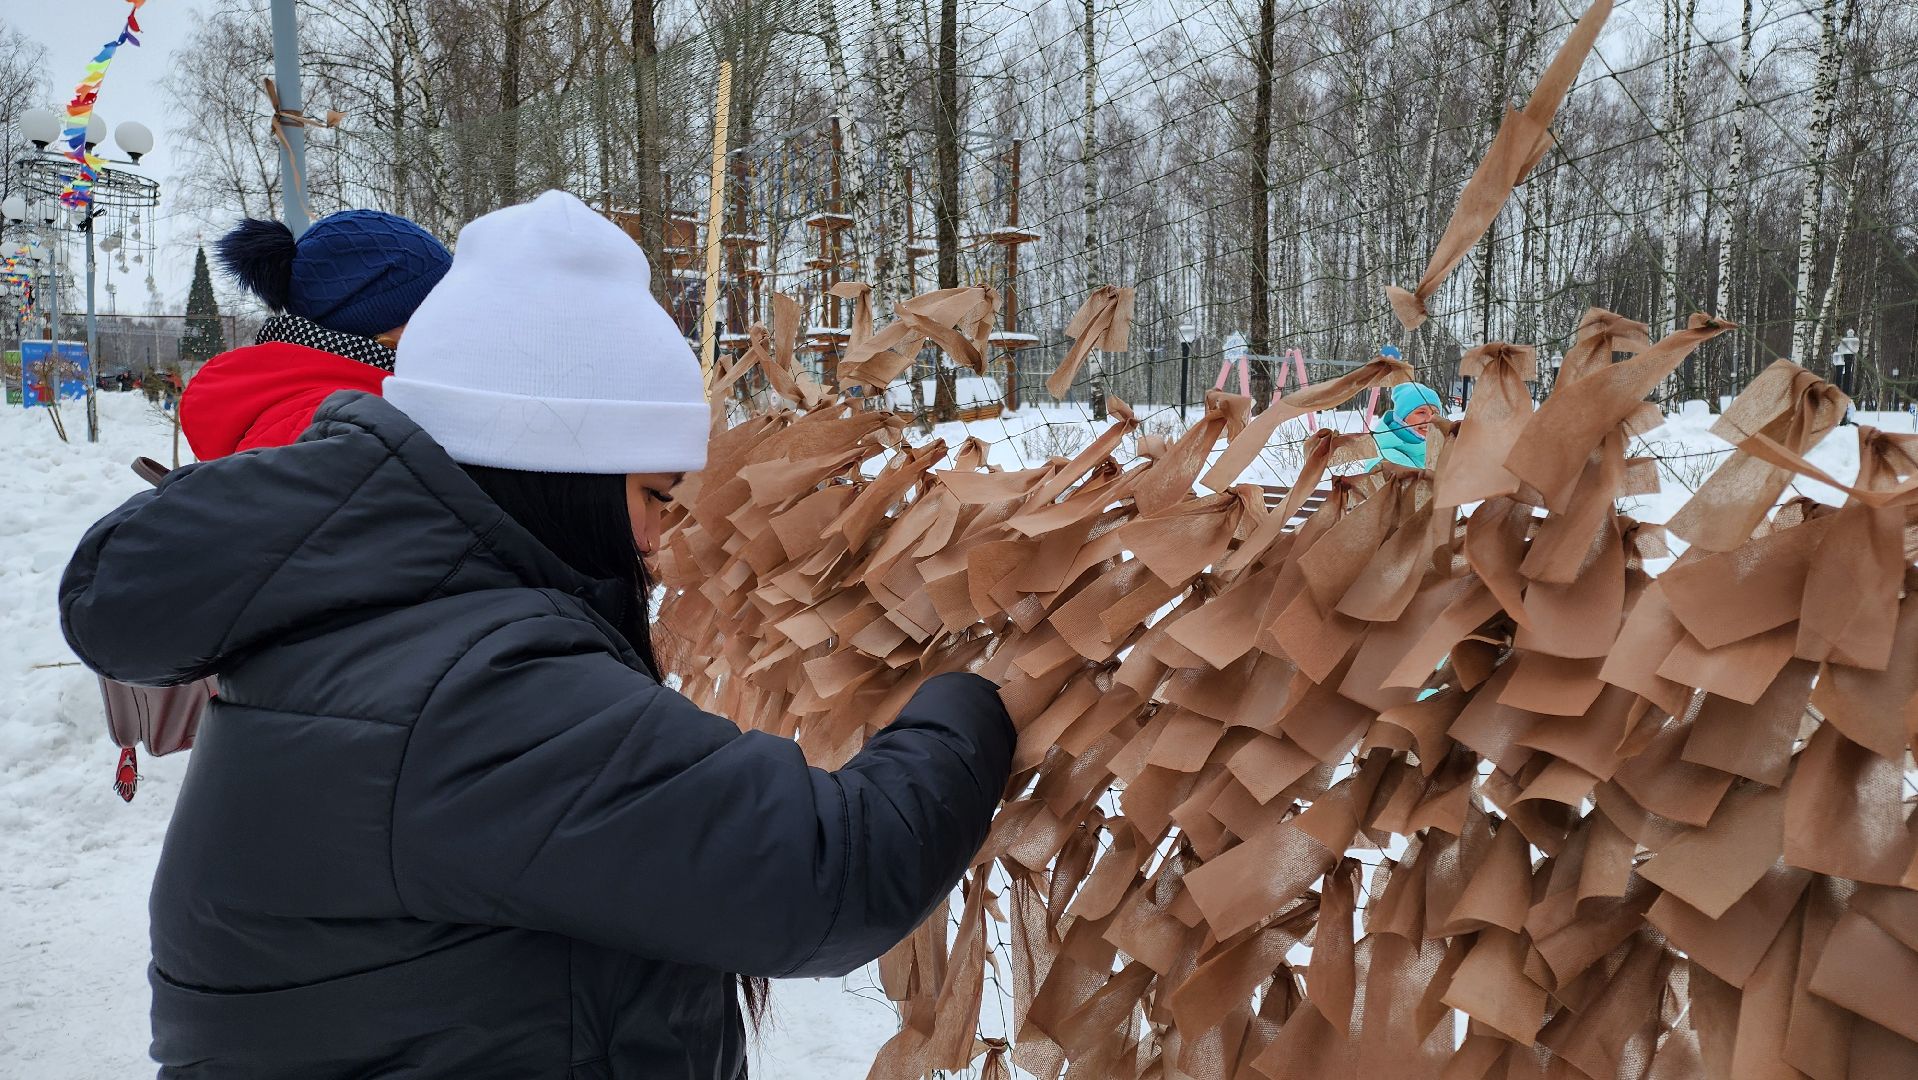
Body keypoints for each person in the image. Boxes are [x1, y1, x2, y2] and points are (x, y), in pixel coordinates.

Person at [60, 190, 1016, 1079]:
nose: (657, 542)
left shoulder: (380, 595)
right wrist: (980, 696)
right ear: (561, 471)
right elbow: (829, 874)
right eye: (651, 496)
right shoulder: (476, 689)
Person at [178, 209, 452, 459]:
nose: (455, 324)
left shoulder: (357, 411)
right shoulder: (343, 432)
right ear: (379, 323)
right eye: (437, 306)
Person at [1370, 381, 1444, 468]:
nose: (1430, 419)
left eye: (1435, 413)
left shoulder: (1439, 451)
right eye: (1421, 412)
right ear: (1401, 417)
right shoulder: (1387, 461)